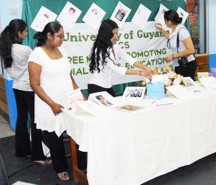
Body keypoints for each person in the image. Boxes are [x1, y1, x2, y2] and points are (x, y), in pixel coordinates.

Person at [28, 22, 84, 181]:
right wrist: (52, 103)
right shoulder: (37, 54)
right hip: (49, 103)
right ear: (49, 35)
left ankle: (80, 164)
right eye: (60, 36)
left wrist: (77, 92)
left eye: (63, 36)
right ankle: (61, 167)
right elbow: (35, 84)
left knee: (75, 131)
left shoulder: (62, 50)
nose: (62, 39)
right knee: (55, 137)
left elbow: (68, 75)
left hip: (68, 99)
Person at [0, 19, 47, 165]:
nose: (27, 33)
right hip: (29, 88)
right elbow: (39, 64)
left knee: (21, 118)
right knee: (35, 119)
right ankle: (38, 155)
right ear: (19, 33)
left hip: (17, 87)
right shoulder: (25, 50)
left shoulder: (6, 49)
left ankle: (22, 150)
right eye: (25, 31)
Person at [88, 19, 153, 96]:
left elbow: (130, 59)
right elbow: (116, 68)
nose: (116, 36)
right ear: (106, 34)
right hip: (96, 86)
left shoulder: (116, 47)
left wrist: (146, 68)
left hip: (107, 86)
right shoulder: (99, 50)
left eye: (117, 33)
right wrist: (140, 73)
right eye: (114, 34)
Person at [156, 10, 196, 80]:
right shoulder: (174, 30)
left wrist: (173, 56)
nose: (164, 22)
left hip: (187, 64)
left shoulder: (182, 31)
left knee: (186, 87)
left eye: (165, 20)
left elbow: (191, 50)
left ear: (169, 22)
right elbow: (170, 37)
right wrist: (161, 29)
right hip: (180, 64)